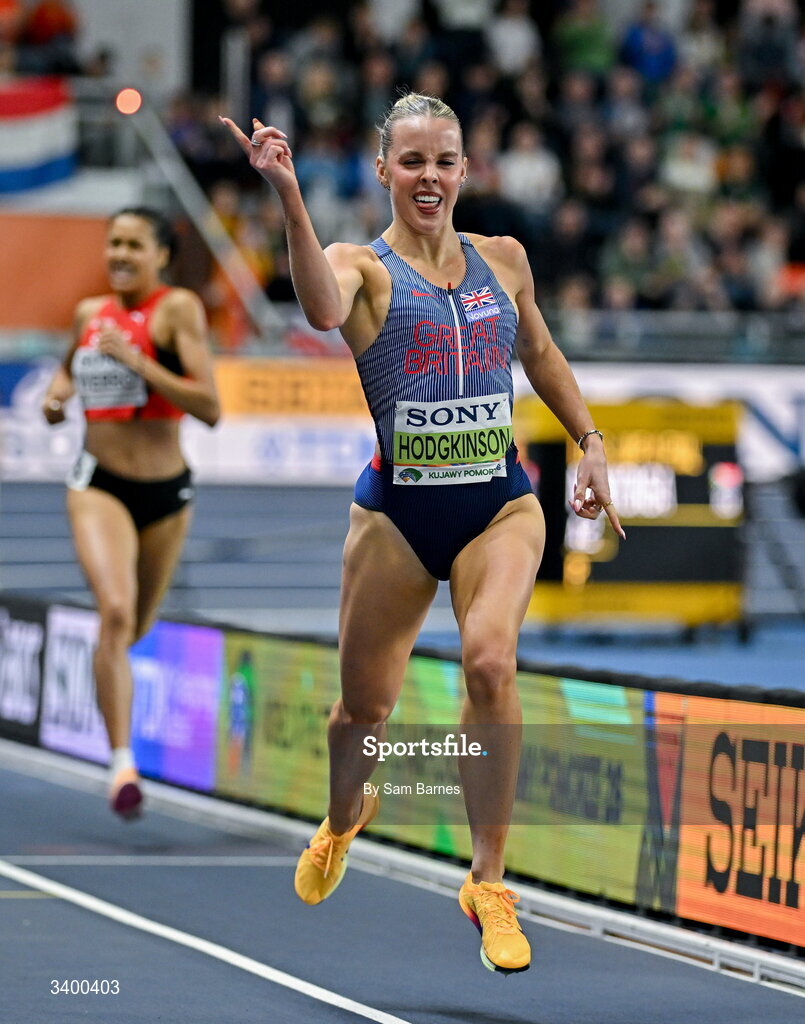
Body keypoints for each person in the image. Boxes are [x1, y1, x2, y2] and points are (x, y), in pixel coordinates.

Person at [221, 94, 624, 975]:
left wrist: (591, 442)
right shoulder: (360, 267)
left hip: (498, 504)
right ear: (383, 170)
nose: (429, 177)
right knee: (362, 711)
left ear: (466, 169)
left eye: (444, 160)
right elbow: (322, 309)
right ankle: (340, 817)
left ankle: (487, 883)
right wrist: (287, 191)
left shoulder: (504, 261)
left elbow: (543, 357)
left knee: (489, 660)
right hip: (397, 516)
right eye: (411, 162)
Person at [41, 207, 220, 820]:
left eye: (133, 245)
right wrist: (56, 398)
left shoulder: (177, 311)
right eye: (112, 243)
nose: (118, 254)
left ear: (161, 256)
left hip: (167, 493)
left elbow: (211, 408)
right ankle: (121, 764)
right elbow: (66, 373)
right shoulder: (91, 315)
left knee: (135, 626)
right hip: (99, 483)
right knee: (114, 615)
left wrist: (138, 362)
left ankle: (106, 689)